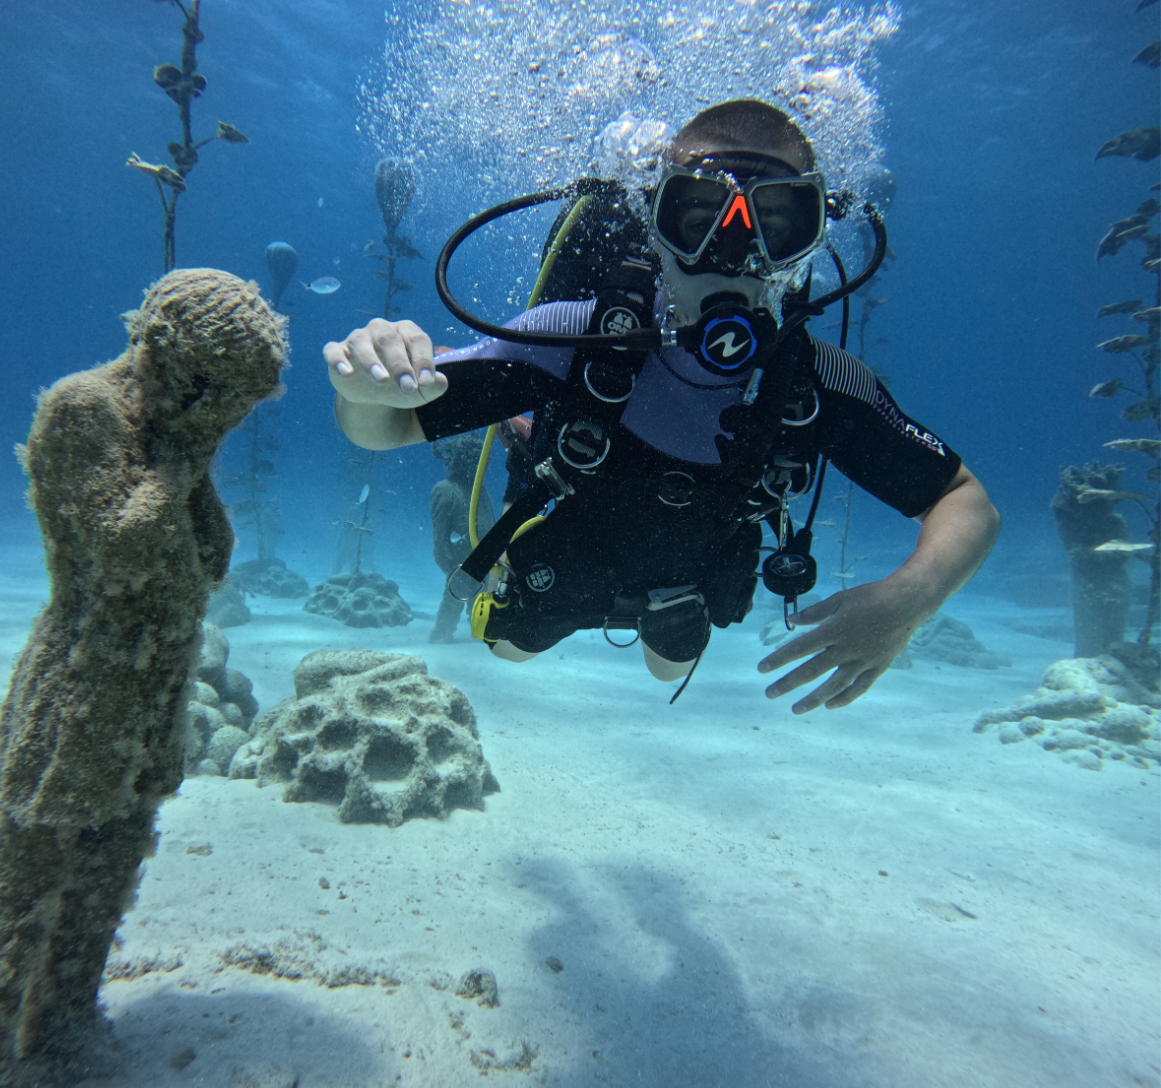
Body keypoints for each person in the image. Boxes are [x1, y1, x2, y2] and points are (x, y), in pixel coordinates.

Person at [324, 99, 999, 713]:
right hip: (573, 525)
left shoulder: (815, 379)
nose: (734, 257)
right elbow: (379, 427)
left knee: (667, 660)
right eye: (698, 219)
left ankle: (654, 598)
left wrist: (909, 600)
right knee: (508, 645)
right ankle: (522, 444)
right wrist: (363, 386)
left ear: (811, 243)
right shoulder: (573, 334)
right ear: (654, 222)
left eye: (778, 226)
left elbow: (965, 500)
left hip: (692, 572)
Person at [427, 432, 495, 642]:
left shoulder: (480, 490)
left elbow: (490, 524)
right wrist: (451, 569)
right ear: (464, 458)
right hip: (461, 566)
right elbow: (440, 538)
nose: (480, 464)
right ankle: (440, 640)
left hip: (485, 564)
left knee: (481, 618)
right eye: (476, 458)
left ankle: (474, 639)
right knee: (448, 616)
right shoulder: (444, 491)